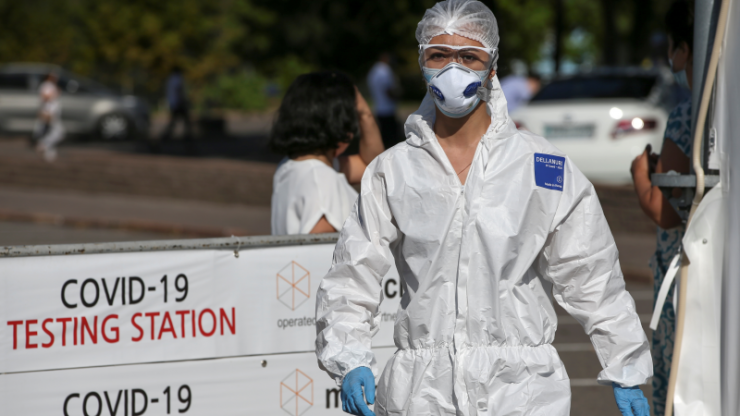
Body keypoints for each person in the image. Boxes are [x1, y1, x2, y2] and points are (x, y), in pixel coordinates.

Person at [315, 1, 652, 416]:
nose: (452, 69)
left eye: (469, 57)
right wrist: (348, 355)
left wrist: (625, 363)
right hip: (423, 395)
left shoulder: (541, 166)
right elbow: (353, 273)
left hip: (522, 393)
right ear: (421, 62)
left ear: (492, 66)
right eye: (439, 55)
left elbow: (590, 271)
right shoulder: (394, 171)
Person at [630, 2, 693, 415]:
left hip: (682, 272)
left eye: (673, 45)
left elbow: (666, 211)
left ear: (684, 50)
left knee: (677, 381)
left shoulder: (686, 117)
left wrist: (641, 175)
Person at [269, 71, 384, 235]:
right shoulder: (321, 179)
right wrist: (364, 113)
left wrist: (365, 114)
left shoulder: (289, 166)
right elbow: (321, 246)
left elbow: (371, 166)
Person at [367, 53, 401, 149]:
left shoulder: (373, 70)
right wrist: (397, 96)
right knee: (392, 139)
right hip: (388, 108)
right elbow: (388, 90)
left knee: (383, 136)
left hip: (379, 107)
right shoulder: (385, 70)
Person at [34, 72, 65, 162]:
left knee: (49, 132)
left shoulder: (50, 85)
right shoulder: (47, 85)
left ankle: (46, 149)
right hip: (48, 112)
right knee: (59, 132)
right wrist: (55, 94)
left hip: (52, 112)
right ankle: (43, 145)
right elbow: (45, 97)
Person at [161, 66, 193, 140]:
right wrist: (184, 101)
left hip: (173, 104)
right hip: (179, 104)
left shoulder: (170, 79)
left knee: (174, 123)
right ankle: (188, 139)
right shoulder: (178, 79)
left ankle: (164, 138)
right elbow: (179, 91)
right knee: (186, 123)